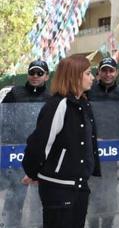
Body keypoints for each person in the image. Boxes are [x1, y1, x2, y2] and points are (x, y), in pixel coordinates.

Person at [22, 55, 100, 228]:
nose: (93, 77)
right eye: (88, 73)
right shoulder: (59, 104)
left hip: (79, 187)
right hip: (59, 190)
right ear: (74, 76)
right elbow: (39, 144)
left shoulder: (83, 103)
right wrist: (34, 172)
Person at [1, 60, 51, 227]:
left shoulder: (51, 97)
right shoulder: (15, 94)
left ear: (46, 76)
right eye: (32, 73)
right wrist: (8, 142)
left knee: (40, 199)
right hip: (17, 153)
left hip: (40, 155)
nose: (35, 76)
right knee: (14, 198)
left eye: (39, 73)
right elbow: (3, 120)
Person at [86, 57, 119, 228]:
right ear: (98, 72)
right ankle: (93, 224)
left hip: (114, 150)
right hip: (92, 149)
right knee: (92, 190)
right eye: (104, 70)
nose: (108, 74)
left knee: (110, 190)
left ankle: (108, 224)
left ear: (117, 72)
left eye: (111, 70)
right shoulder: (88, 91)